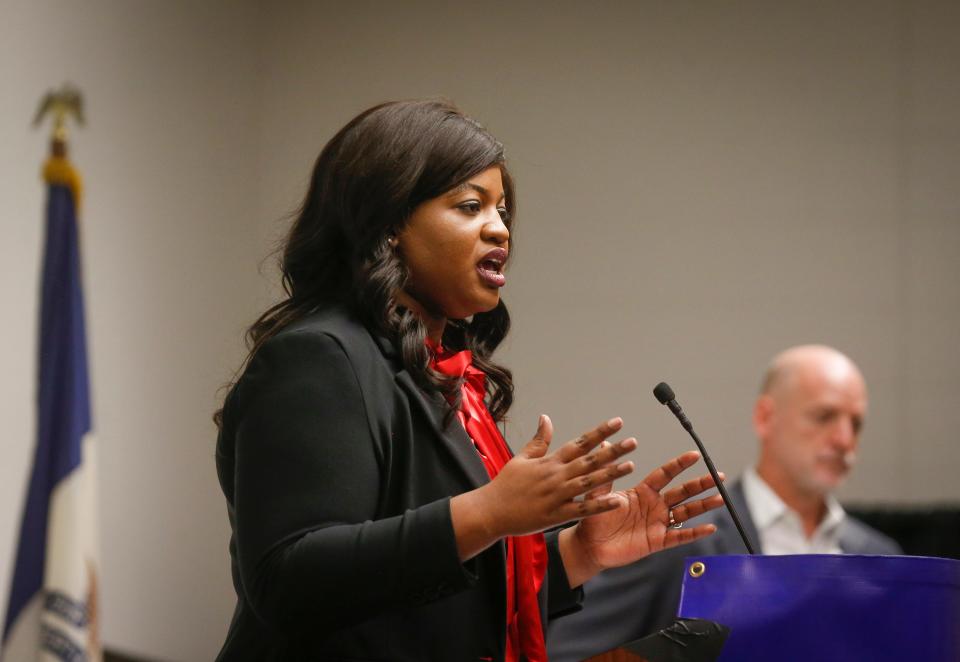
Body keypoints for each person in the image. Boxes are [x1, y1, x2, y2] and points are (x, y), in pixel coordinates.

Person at [213, 99, 725, 661]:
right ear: (387, 227)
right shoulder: (319, 356)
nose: (500, 229)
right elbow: (289, 581)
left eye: (502, 210)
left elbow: (427, 604)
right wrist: (489, 512)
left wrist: (578, 552)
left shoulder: (441, 375)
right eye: (470, 206)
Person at [546, 344, 902, 661]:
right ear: (766, 417)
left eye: (856, 424)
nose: (844, 439)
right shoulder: (677, 540)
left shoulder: (882, 556)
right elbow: (570, 652)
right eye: (824, 417)